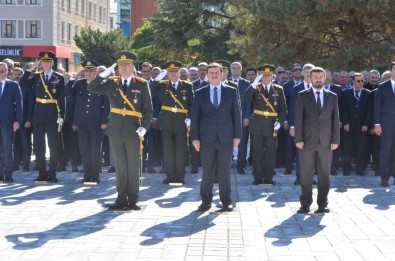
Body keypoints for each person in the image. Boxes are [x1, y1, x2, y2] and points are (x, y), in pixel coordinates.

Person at [87, 51, 153, 211]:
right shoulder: (111, 82)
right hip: (116, 129)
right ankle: (121, 198)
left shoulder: (141, 84)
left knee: (133, 165)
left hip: (134, 129)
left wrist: (145, 126)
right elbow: (91, 87)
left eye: (127, 65)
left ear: (132, 67)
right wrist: (105, 73)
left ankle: (134, 198)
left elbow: (148, 110)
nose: (123, 68)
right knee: (120, 166)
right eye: (121, 65)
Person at [191, 62, 241, 212]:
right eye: (211, 73)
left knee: (225, 172)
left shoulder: (231, 91)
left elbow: (236, 114)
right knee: (207, 172)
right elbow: (195, 117)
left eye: (216, 72)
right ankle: (205, 202)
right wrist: (195, 138)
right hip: (206, 139)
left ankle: (226, 202)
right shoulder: (200, 93)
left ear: (222, 74)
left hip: (226, 138)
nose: (214, 75)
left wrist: (237, 135)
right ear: (207, 74)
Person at [294, 67, 340, 214]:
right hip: (306, 141)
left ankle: (322, 204)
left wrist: (335, 139)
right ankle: (305, 204)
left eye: (321, 76)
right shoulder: (302, 95)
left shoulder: (332, 96)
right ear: (310, 78)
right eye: (315, 77)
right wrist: (298, 138)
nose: (318, 79)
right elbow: (298, 119)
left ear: (325, 77)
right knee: (306, 174)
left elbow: (335, 119)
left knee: (324, 174)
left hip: (326, 142)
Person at [19, 51, 65, 183]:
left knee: (53, 145)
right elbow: (23, 83)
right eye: (43, 61)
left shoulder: (59, 77)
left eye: (48, 61)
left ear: (52, 63)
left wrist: (62, 115)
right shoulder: (37, 76)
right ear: (41, 63)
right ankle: (42, 173)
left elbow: (61, 98)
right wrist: (31, 69)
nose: (46, 64)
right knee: (39, 146)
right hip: (38, 115)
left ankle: (52, 173)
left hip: (53, 115)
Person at [65, 60, 110, 183]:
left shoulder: (102, 84)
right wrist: (75, 77)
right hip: (82, 122)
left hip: (96, 122)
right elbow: (67, 92)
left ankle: (95, 175)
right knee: (84, 149)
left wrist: (104, 121)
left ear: (96, 71)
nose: (88, 73)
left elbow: (107, 105)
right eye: (86, 70)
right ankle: (86, 174)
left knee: (95, 149)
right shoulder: (79, 84)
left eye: (91, 70)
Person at [150, 61, 194, 184]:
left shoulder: (187, 86)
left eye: (175, 71)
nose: (173, 74)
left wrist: (190, 118)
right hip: (166, 121)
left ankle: (180, 176)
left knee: (180, 150)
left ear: (179, 72)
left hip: (181, 121)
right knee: (168, 150)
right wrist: (157, 78)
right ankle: (169, 176)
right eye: (170, 72)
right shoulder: (162, 86)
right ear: (167, 74)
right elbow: (149, 91)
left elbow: (192, 104)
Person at [243, 65, 287, 185]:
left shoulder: (278, 89)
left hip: (272, 125)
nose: (266, 78)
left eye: (268, 75)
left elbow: (283, 110)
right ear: (260, 76)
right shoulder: (255, 88)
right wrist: (253, 84)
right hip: (257, 124)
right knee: (256, 151)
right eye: (264, 75)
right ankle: (257, 177)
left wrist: (280, 122)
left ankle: (268, 177)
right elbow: (245, 98)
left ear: (273, 76)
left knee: (270, 152)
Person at [340, 73, 372, 176]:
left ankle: (360, 170)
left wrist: (366, 124)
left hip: (362, 126)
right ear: (353, 81)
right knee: (347, 148)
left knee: (361, 148)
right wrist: (345, 122)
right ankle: (346, 169)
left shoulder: (368, 93)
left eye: (362, 81)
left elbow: (369, 111)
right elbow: (343, 109)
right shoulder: (346, 93)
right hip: (348, 126)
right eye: (358, 81)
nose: (360, 83)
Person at [373, 62, 395, 187]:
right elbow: (377, 107)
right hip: (385, 125)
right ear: (390, 71)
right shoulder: (382, 86)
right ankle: (384, 178)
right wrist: (377, 124)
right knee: (385, 151)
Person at [0, 62, 22, 183]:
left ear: (7, 72)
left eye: (3, 71)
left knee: (8, 149)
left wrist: (18, 121)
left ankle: (8, 175)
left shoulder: (13, 85)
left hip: (8, 122)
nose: (1, 74)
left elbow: (19, 105)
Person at [229, 61, 252, 175]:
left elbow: (248, 102)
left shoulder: (246, 83)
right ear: (230, 70)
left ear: (241, 70)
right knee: (228, 140)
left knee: (242, 141)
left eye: (238, 68)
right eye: (234, 68)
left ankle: (241, 165)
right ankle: (228, 163)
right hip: (229, 117)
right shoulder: (226, 82)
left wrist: (247, 116)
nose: (236, 69)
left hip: (242, 116)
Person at [11, 67, 34, 171]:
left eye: (19, 74)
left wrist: (29, 120)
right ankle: (15, 164)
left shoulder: (28, 89)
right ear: (12, 75)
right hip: (13, 121)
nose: (17, 76)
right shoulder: (9, 87)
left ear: (23, 75)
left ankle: (26, 164)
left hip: (25, 121)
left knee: (26, 143)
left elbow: (30, 106)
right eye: (15, 74)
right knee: (15, 144)